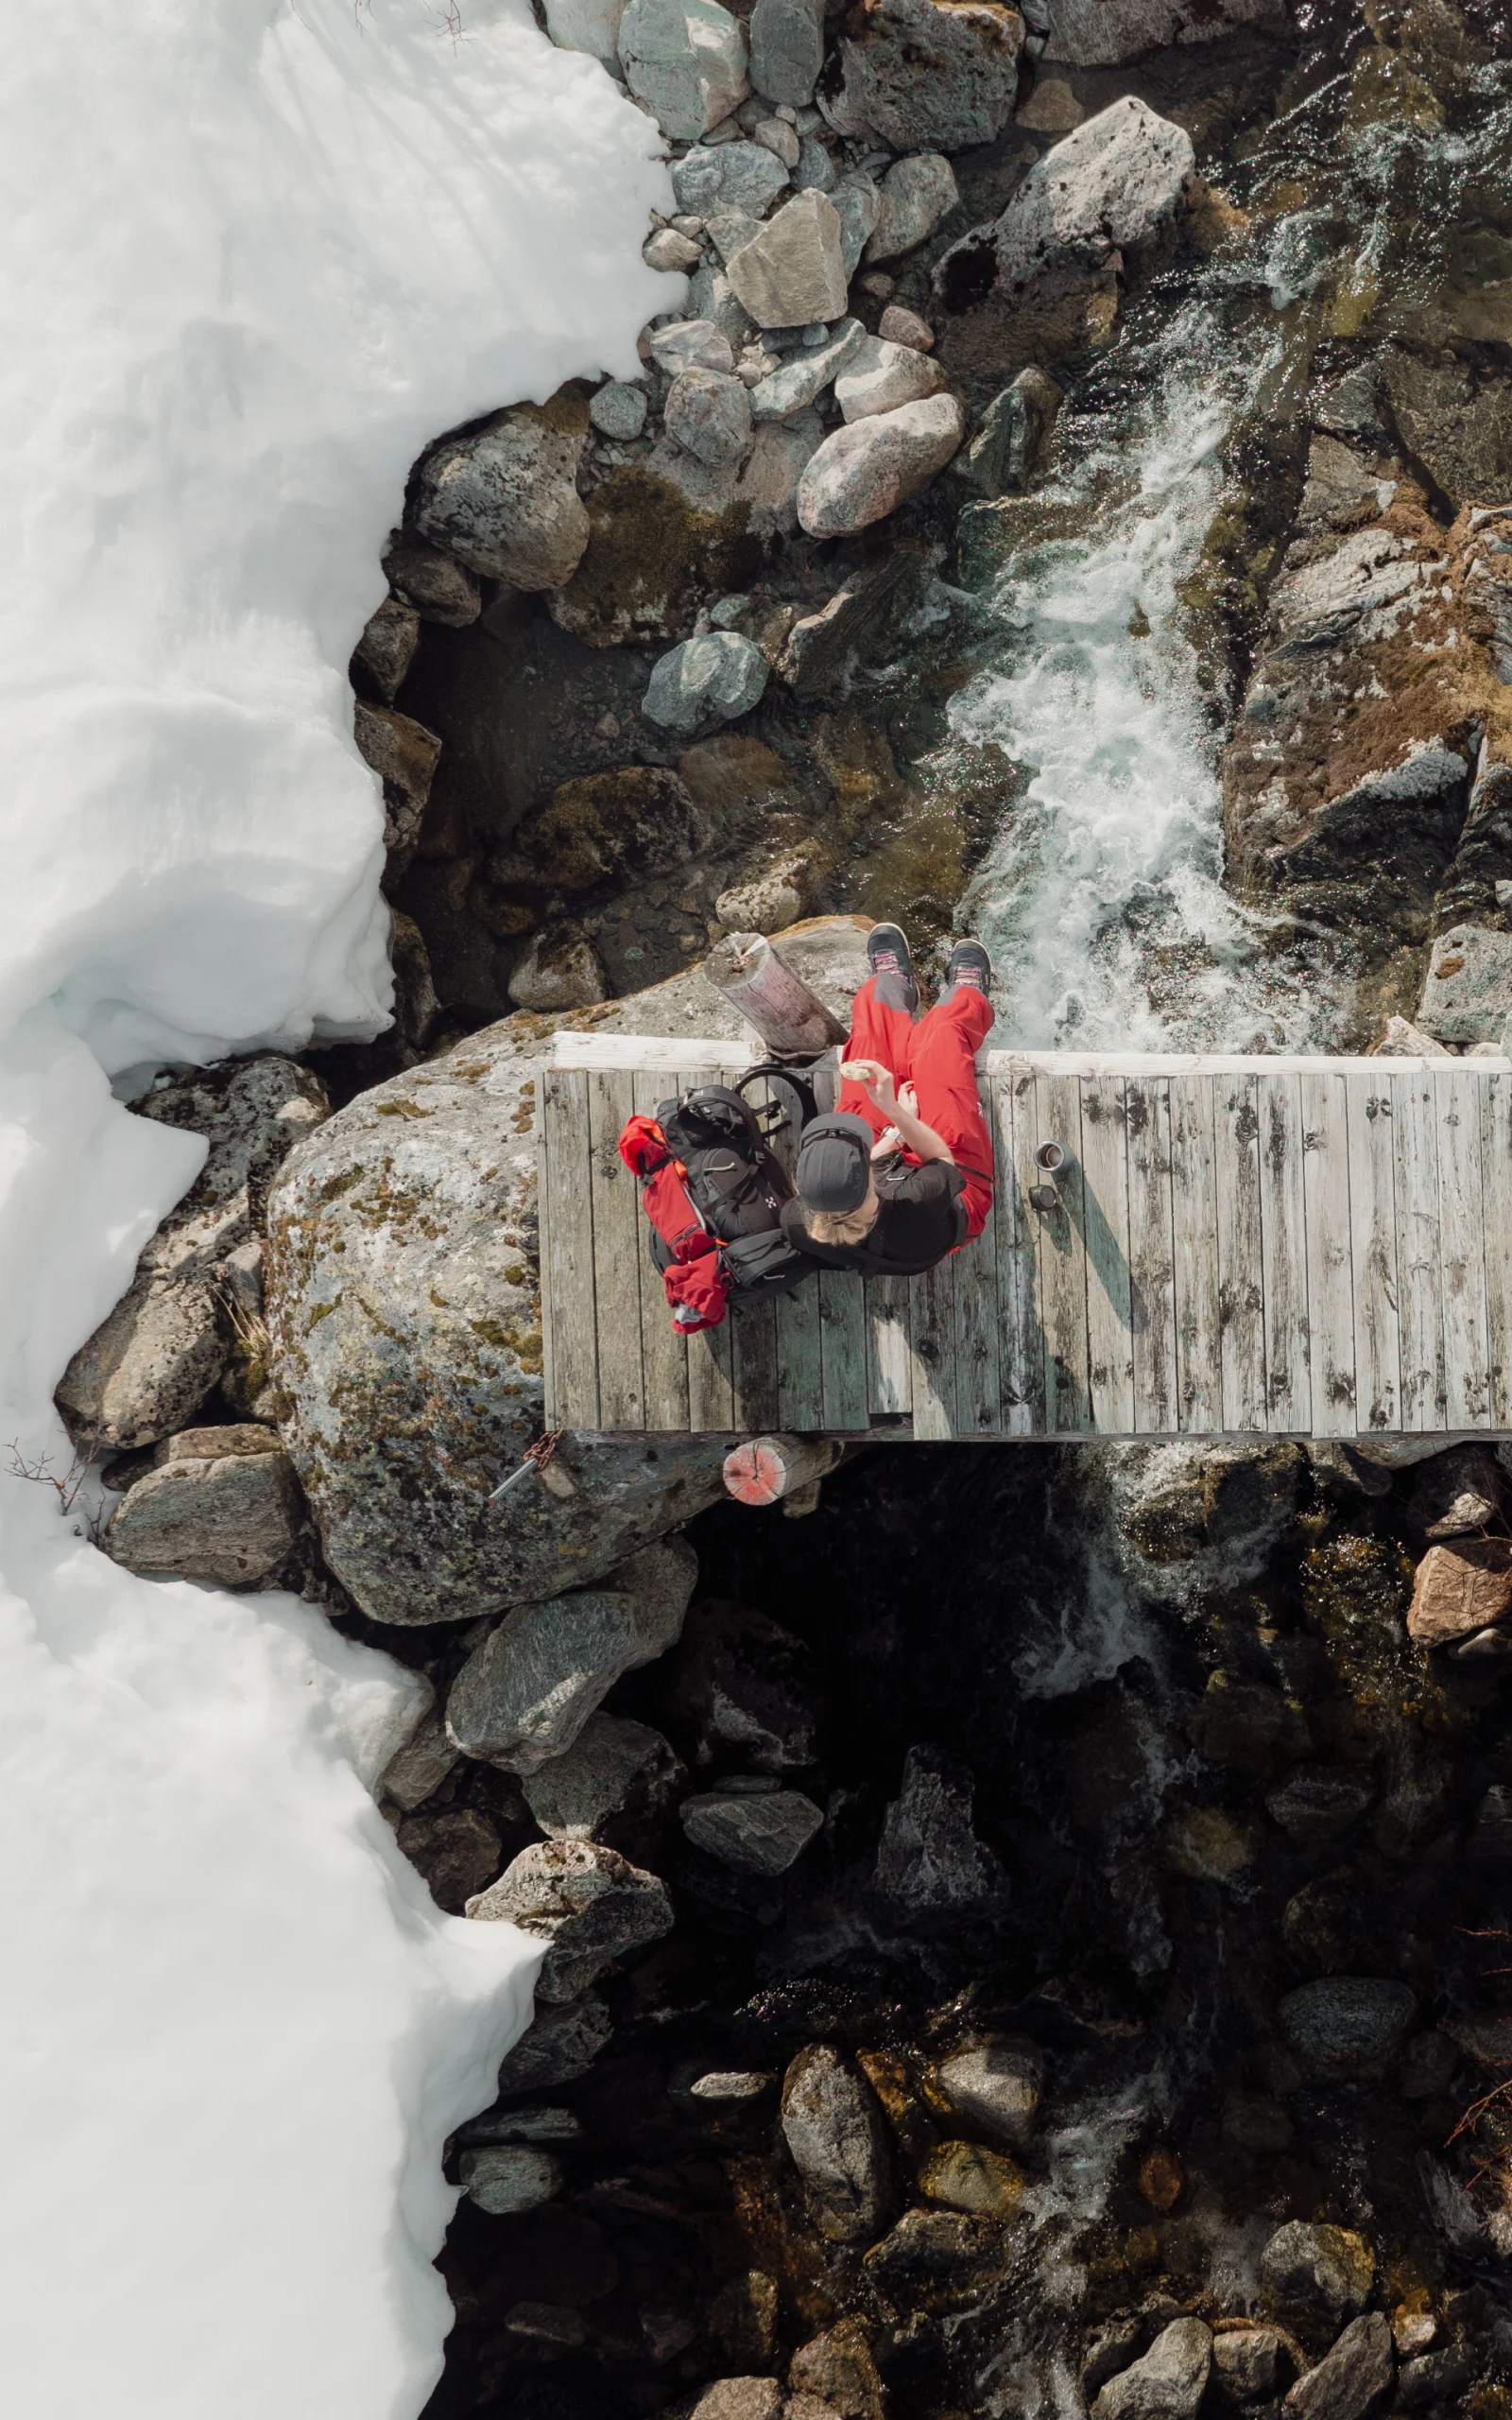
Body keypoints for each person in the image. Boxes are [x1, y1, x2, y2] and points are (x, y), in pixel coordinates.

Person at [781, 922, 996, 1279]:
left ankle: (890, 988)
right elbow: (940, 1159)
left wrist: (889, 1136)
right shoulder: (918, 1203)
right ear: (867, 1179)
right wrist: (897, 1114)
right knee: (940, 1043)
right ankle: (967, 996)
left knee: (865, 1052)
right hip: (952, 1187)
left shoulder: (797, 1219)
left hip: (883, 1179)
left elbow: (857, 1175)